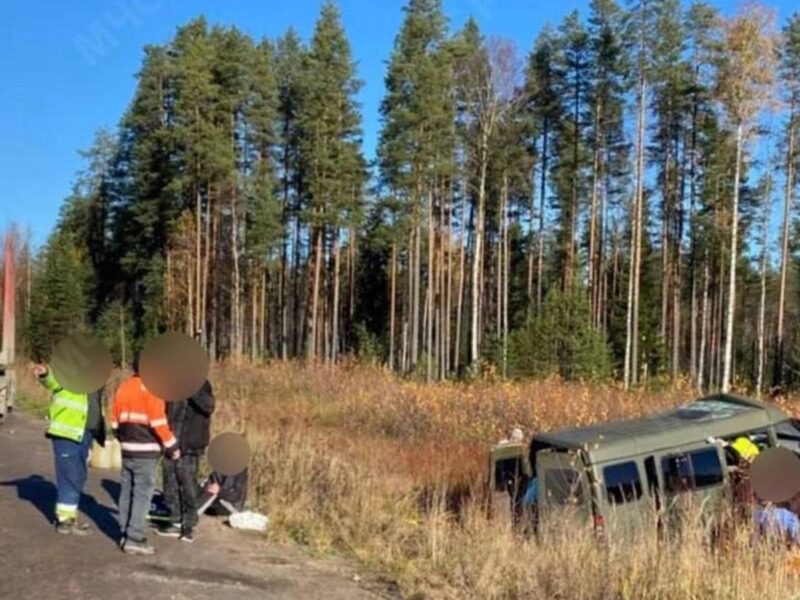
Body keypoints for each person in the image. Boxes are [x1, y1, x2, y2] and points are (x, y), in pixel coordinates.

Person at [111, 357, 179, 555]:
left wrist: (122, 438)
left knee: (127, 491)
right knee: (142, 494)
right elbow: (159, 423)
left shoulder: (124, 387)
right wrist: (172, 446)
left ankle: (125, 532)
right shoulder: (153, 389)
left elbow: (114, 419)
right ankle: (135, 537)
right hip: (146, 449)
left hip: (127, 448)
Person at [34, 363, 106, 535]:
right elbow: (53, 381)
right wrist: (45, 374)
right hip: (67, 432)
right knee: (69, 475)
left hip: (85, 433)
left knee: (79, 474)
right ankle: (65, 520)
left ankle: (68, 514)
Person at [156, 379, 215, 542]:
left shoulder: (202, 384)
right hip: (171, 441)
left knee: (188, 483)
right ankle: (174, 519)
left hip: (191, 443)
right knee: (170, 481)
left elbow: (209, 406)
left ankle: (189, 523)